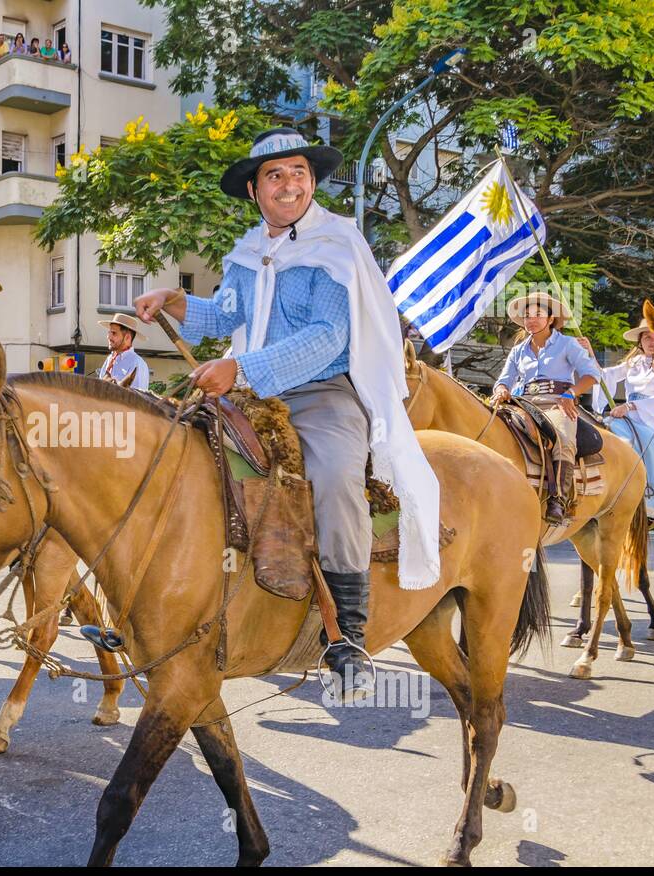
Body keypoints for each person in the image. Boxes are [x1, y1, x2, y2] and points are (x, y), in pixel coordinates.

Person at [133, 127, 441, 703]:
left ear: (312, 181)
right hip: (249, 386)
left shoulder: (338, 245)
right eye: (275, 175)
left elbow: (328, 337)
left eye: (299, 172)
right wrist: (174, 301)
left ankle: (348, 636)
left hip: (322, 392)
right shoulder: (250, 251)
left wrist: (241, 370)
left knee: (333, 479)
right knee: (175, 451)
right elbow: (226, 312)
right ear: (254, 190)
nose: (289, 183)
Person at [493, 292, 601, 525]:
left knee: (563, 438)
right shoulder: (518, 350)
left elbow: (592, 374)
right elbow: (504, 379)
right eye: (527, 316)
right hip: (523, 403)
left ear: (551, 319)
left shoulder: (567, 344)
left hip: (557, 402)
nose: (531, 320)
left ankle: (558, 499)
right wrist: (501, 389)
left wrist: (571, 393)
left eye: (538, 315)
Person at [590, 323, 654, 558]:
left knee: (619, 431)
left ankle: (630, 485)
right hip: (630, 415)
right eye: (645, 338)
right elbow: (605, 375)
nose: (650, 341)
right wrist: (589, 355)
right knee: (606, 426)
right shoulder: (633, 363)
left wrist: (630, 405)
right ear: (639, 342)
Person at [96, 314, 149, 389]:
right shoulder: (110, 359)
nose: (108, 336)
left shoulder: (137, 363)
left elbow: (138, 398)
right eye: (109, 332)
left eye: (114, 333)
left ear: (127, 337)